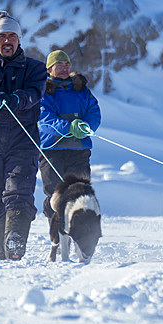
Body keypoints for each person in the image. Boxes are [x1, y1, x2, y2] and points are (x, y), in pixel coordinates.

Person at [0, 11, 47, 261]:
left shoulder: (36, 68)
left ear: (19, 39)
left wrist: (19, 98)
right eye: (2, 36)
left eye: (12, 36)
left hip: (22, 141)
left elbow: (35, 92)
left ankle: (15, 240)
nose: (7, 41)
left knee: (19, 191)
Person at [37, 50, 102, 226]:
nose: (64, 68)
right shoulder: (44, 90)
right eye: (59, 64)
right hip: (52, 151)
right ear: (49, 69)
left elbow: (94, 111)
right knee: (56, 195)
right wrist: (69, 127)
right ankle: (56, 230)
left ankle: (77, 231)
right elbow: (43, 119)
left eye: (67, 64)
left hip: (79, 150)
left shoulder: (81, 89)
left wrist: (86, 126)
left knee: (80, 193)